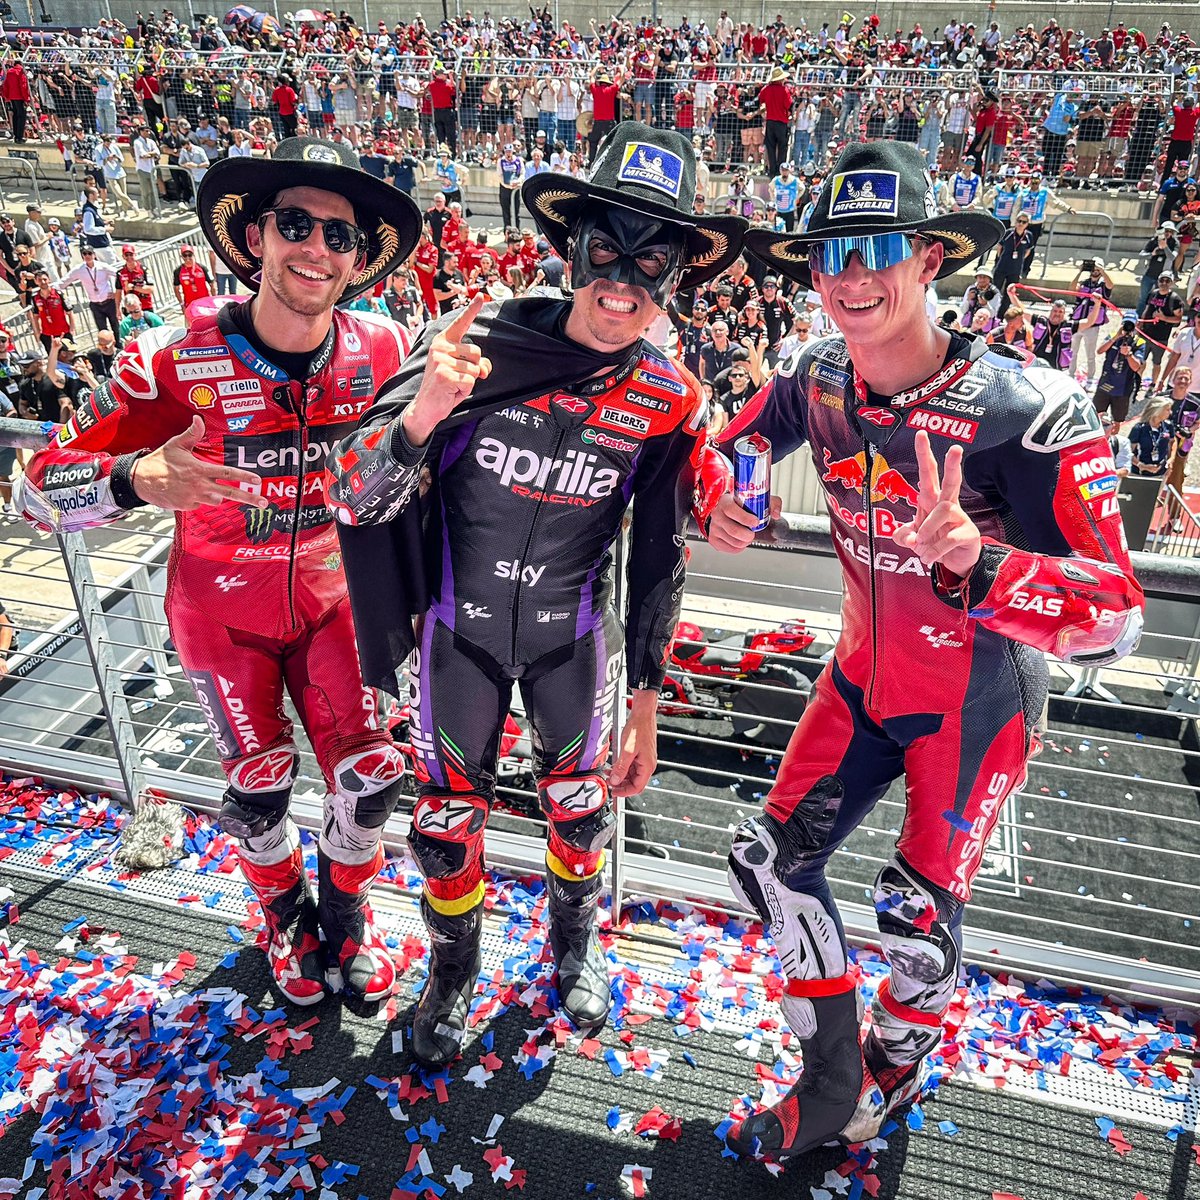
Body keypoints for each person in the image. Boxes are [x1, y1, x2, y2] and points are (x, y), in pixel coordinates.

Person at [697, 141, 1143, 1161]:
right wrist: (729, 493)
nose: (851, 279)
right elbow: (733, 446)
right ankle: (834, 1072)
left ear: (932, 258)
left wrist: (982, 563)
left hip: (975, 699)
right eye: (829, 256)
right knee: (765, 864)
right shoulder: (816, 378)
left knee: (913, 914)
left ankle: (895, 1054)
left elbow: (1115, 614)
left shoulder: (1031, 412)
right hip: (859, 678)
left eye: (879, 248)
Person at [326, 122, 747, 1068]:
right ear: (572, 248)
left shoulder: (671, 397)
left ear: (677, 282)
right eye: (608, 251)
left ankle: (574, 947)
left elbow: (660, 558)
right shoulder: (475, 344)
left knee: (579, 811)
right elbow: (353, 495)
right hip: (455, 636)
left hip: (574, 639)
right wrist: (426, 409)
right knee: (442, 823)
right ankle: (453, 972)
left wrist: (646, 703)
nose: (624, 283)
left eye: (655, 265)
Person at [18, 137, 422, 1009]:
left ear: (359, 260)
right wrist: (134, 480)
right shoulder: (166, 356)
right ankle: (284, 919)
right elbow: (34, 493)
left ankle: (348, 921)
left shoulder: (389, 346)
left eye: (339, 236)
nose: (316, 247)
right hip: (217, 615)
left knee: (371, 776)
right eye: (295, 225)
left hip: (338, 608)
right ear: (254, 237)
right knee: (259, 784)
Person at [1094, 311, 1148, 426]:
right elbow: (1099, 351)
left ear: (1136, 325)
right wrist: (1115, 338)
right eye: (1126, 323)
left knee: (1118, 421)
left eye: (1131, 324)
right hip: (1105, 384)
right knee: (1095, 416)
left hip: (1122, 389)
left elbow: (1136, 367)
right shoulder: (1113, 335)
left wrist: (1128, 354)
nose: (1128, 327)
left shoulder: (1139, 342)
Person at [1139, 273, 1184, 395]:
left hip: (1160, 337)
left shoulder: (1175, 300)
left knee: (1156, 362)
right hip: (1145, 333)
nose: (1164, 283)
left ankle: (1153, 385)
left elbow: (1178, 319)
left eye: (1167, 281)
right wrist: (1140, 324)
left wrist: (1163, 318)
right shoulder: (1153, 293)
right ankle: (1136, 381)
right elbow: (1147, 309)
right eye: (1162, 280)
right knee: (1140, 360)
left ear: (1171, 283)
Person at [1129, 399, 1174, 477]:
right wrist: (1142, 465)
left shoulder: (1168, 426)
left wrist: (1171, 459)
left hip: (1161, 471)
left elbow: (1173, 441)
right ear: (1157, 410)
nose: (1170, 412)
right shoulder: (1139, 429)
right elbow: (1128, 452)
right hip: (1140, 473)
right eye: (1167, 409)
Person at [172, 244, 214, 323]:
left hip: (204, 303)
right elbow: (176, 288)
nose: (187, 258)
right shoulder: (178, 271)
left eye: (189, 255)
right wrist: (181, 304)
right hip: (190, 304)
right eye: (185, 255)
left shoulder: (202, 268)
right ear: (182, 257)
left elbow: (212, 283)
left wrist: (213, 299)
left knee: (208, 324)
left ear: (193, 255)